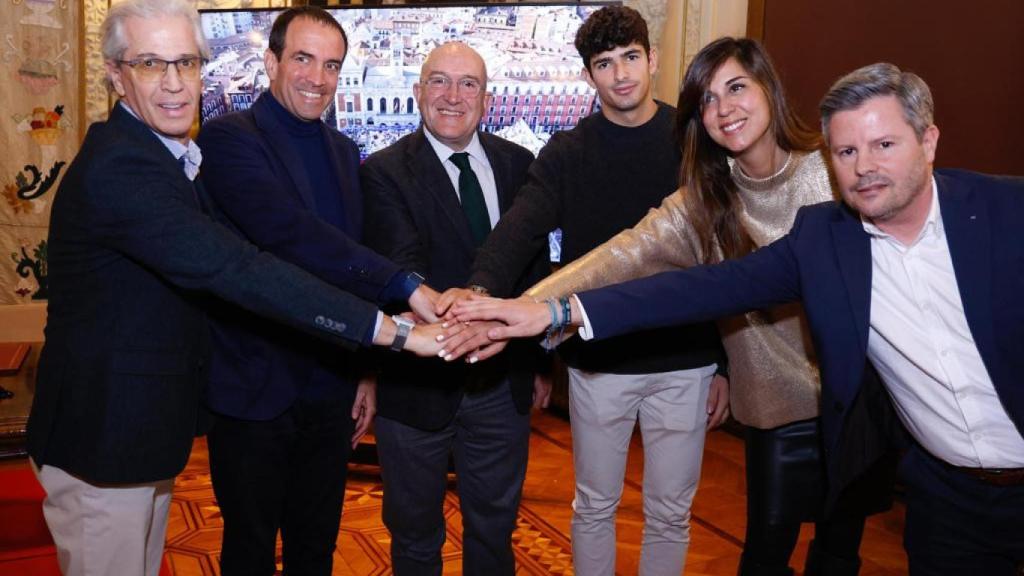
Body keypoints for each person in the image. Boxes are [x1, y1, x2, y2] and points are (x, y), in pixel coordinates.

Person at [447, 62, 1024, 576]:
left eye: (885, 146)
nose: (865, 168)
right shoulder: (822, 238)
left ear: (929, 141)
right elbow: (685, 286)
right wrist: (548, 309)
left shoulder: (1005, 213)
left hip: (863, 422)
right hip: (943, 497)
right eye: (848, 152)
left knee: (837, 547)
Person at [24, 2, 443, 575]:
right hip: (105, 435)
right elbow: (241, 268)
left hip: (142, 431)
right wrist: (395, 333)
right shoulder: (127, 168)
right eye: (151, 64)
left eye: (187, 64)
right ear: (116, 75)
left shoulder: (160, 155)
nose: (174, 84)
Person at [493, 37, 887, 576]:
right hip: (773, 407)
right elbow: (625, 255)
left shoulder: (831, 167)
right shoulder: (706, 197)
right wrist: (531, 307)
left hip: (851, 402)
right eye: (707, 99)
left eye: (736, 88)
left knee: (839, 553)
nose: (724, 109)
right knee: (765, 558)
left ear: (767, 86)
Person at [436, 7, 728, 575]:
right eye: (604, 64)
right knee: (594, 505)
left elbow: (721, 256)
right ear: (588, 76)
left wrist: (724, 365)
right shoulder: (567, 152)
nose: (620, 74)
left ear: (653, 59)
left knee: (671, 511)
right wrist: (478, 294)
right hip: (600, 362)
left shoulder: (693, 143)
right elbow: (516, 232)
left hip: (685, 359)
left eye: (630, 58)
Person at [194, 7, 443, 575]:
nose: (318, 78)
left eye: (332, 65)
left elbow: (348, 257)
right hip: (254, 388)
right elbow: (291, 236)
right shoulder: (228, 139)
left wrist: (364, 372)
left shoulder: (340, 150)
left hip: (329, 390)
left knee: (317, 549)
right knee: (249, 551)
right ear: (271, 62)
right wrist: (406, 285)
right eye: (303, 59)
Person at [359, 42, 549, 575]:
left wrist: (536, 362)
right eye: (438, 81)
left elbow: (533, 271)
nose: (452, 96)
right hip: (416, 384)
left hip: (500, 383)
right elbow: (400, 263)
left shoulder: (519, 165)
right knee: (415, 535)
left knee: (494, 531)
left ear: (486, 99)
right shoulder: (383, 171)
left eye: (468, 84)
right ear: (417, 93)